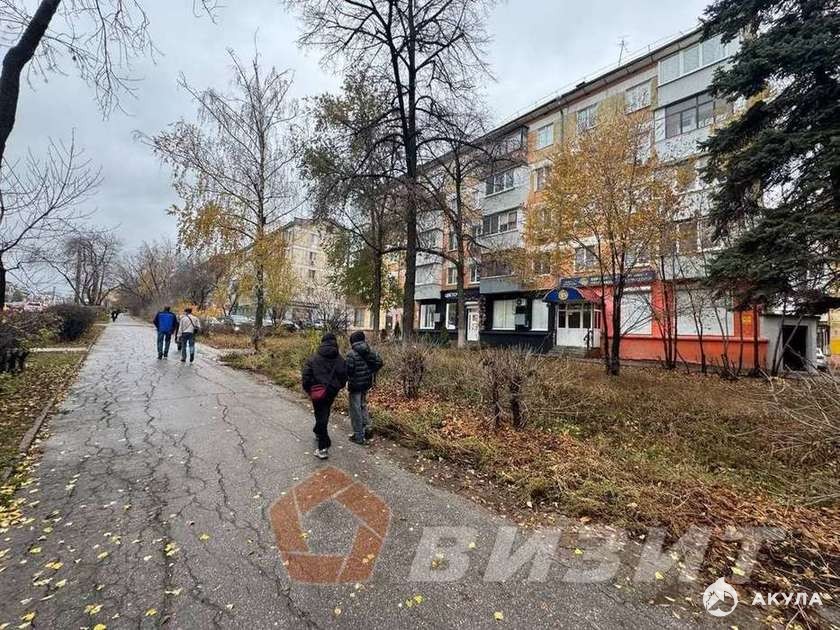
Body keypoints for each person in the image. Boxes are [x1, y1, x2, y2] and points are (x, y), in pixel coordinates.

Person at [301, 333, 347, 460]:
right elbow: (344, 376)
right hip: (331, 392)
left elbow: (306, 376)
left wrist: (309, 390)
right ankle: (318, 431)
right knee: (324, 413)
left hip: (316, 392)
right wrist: (337, 387)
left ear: (322, 342)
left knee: (321, 415)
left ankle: (322, 448)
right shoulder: (340, 359)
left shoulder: (314, 358)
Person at [344, 331, 383, 445]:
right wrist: (369, 372)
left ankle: (358, 435)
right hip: (366, 384)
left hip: (355, 386)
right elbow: (379, 362)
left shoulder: (351, 354)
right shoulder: (369, 351)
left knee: (355, 409)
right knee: (362, 405)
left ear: (353, 341)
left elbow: (348, 371)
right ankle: (368, 428)